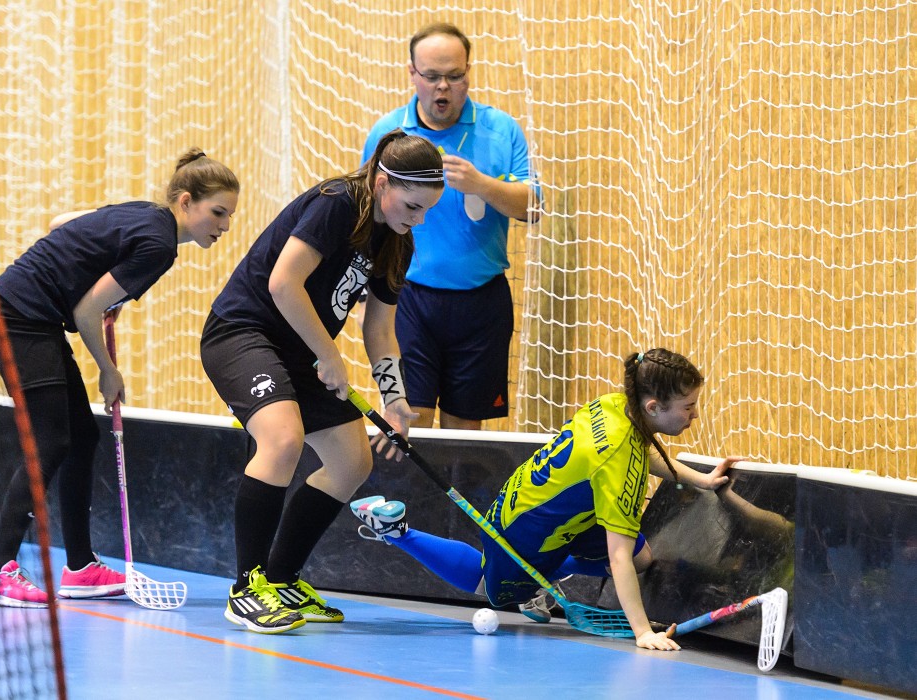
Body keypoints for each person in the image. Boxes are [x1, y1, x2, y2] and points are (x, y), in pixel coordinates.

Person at [0, 149, 240, 608]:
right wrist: (108, 371)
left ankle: (79, 568)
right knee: (53, 440)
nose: (224, 225)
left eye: (230, 216)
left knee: (80, 438)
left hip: (32, 316)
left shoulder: (142, 213)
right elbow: (86, 310)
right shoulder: (158, 247)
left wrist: (92, 268)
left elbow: (61, 223)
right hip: (18, 317)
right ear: (186, 201)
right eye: (218, 212)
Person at [201, 129, 444, 634]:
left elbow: (379, 328)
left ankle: (282, 577)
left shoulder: (397, 242)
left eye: (426, 210)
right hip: (244, 332)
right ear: (381, 182)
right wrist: (329, 354)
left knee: (352, 460)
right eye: (412, 205)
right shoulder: (339, 203)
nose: (417, 219)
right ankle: (247, 588)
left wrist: (395, 401)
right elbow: (282, 283)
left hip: (302, 352)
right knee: (283, 439)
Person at [350, 348, 735, 650]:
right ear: (654, 407)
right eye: (688, 407)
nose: (695, 415)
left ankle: (538, 580)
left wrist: (701, 479)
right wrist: (641, 632)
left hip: (556, 511)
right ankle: (396, 531)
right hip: (522, 529)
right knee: (490, 588)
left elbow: (644, 455)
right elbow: (615, 555)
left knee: (642, 557)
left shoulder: (617, 406)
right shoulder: (616, 462)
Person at [361, 22, 539, 430]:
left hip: (481, 302)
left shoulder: (500, 130)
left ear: (468, 72)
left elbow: (534, 208)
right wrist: (360, 296)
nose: (444, 87)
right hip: (407, 299)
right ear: (412, 74)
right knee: (411, 422)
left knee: (466, 431)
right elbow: (365, 215)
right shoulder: (389, 134)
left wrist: (481, 184)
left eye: (455, 76)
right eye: (432, 76)